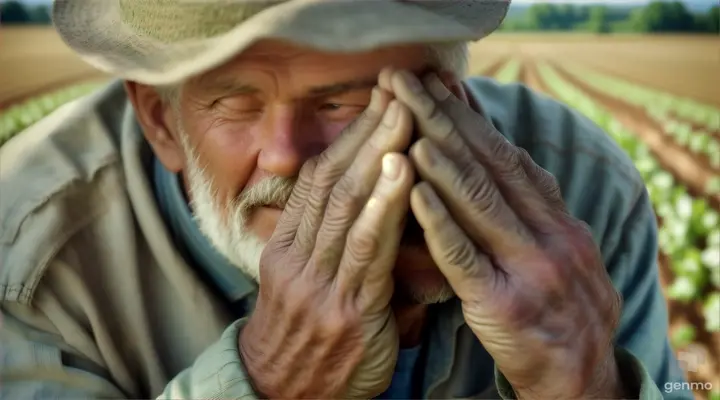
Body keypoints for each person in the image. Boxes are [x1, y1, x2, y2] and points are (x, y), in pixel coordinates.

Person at [0, 1, 692, 399]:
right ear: (161, 121)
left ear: (447, 101)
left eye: (340, 102)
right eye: (234, 105)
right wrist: (262, 384)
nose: (284, 153)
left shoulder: (583, 188)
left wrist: (588, 384)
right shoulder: (32, 258)